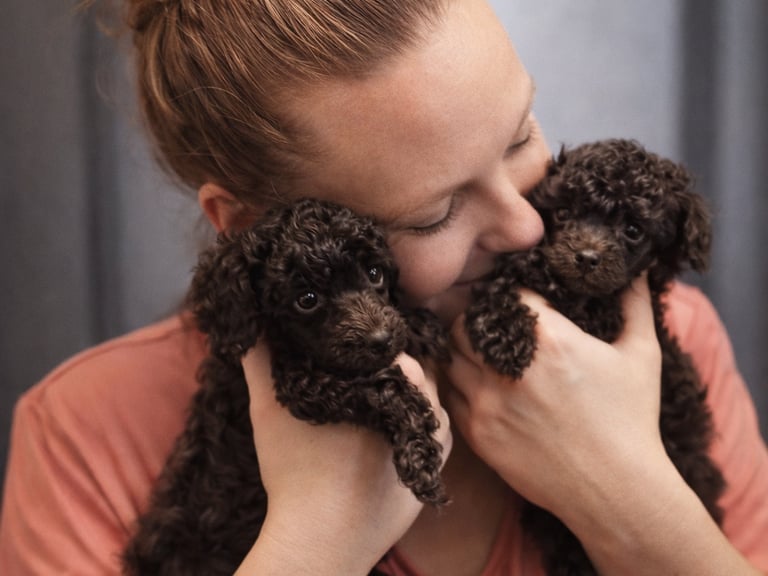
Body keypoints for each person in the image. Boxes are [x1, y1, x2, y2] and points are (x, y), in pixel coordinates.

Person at [1, 0, 767, 574]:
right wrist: (312, 541)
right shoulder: (86, 434)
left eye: (521, 134)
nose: (527, 226)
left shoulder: (662, 348)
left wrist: (638, 504)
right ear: (247, 225)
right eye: (434, 214)